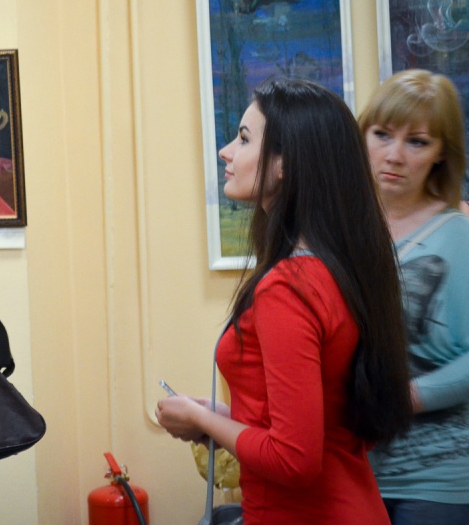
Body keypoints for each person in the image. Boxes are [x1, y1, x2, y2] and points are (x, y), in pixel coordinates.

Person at [156, 78, 413, 524]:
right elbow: (320, 423)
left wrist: (207, 423)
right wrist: (222, 415)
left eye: (243, 139)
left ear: (284, 165)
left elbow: (294, 459)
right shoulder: (337, 268)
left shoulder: (288, 287)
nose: (226, 152)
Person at [359, 69, 469, 524]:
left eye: (417, 142)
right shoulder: (343, 230)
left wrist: (409, 397)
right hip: (350, 473)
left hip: (436, 481)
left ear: (442, 152)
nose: (395, 155)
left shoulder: (458, 235)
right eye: (382, 135)